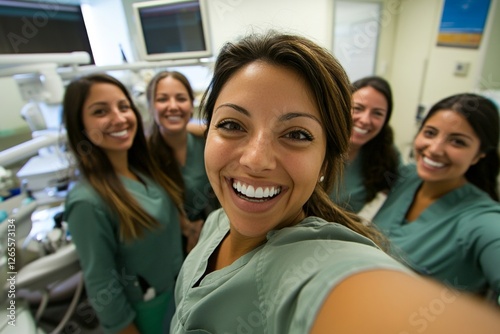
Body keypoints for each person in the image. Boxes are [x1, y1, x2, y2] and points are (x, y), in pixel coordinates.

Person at [170, 31, 500, 334]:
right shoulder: (216, 223)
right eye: (232, 124)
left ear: (326, 161)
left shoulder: (316, 262)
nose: (255, 160)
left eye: (296, 134)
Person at [62, 73, 185, 334]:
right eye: (100, 111)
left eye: (123, 107)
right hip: (146, 312)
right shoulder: (87, 202)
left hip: (178, 292)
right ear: (79, 125)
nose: (119, 119)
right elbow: (102, 285)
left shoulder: (141, 171)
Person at [373, 93, 500, 301]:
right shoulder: (408, 177)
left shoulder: (481, 220)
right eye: (430, 133)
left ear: (479, 154)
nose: (435, 149)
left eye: (457, 142)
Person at [146, 71, 219, 253]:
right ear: (150, 106)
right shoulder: (144, 157)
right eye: (162, 99)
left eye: (181, 98)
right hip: (170, 247)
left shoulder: (206, 142)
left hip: (216, 232)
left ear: (191, 104)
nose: (173, 106)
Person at [330, 76, 400, 217]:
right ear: (342, 107)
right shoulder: (318, 144)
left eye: (377, 113)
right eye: (358, 108)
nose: (365, 120)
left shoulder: (387, 155)